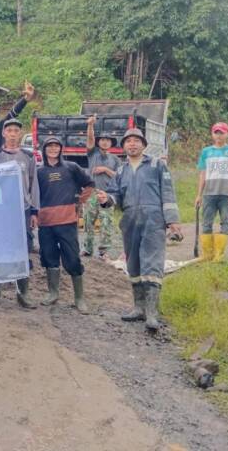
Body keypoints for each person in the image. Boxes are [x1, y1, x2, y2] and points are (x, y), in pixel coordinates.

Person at [97, 128, 182, 333]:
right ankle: (138, 308)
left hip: (153, 220)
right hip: (130, 220)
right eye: (128, 141)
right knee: (133, 263)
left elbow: (168, 193)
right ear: (124, 146)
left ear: (143, 145)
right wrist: (107, 199)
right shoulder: (121, 170)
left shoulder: (157, 165)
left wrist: (172, 221)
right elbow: (115, 195)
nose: (132, 144)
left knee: (152, 263)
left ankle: (151, 313)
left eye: (136, 141)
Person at [36, 136, 94, 314]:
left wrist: (79, 201)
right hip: (45, 223)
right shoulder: (38, 172)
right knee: (49, 257)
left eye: (56, 146)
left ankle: (79, 298)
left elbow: (90, 184)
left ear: (61, 149)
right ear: (44, 150)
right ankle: (53, 293)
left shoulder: (71, 167)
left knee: (73, 258)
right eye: (49, 146)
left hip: (67, 221)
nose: (53, 149)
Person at [0, 118, 39, 309]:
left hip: (22, 209)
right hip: (0, 210)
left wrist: (34, 211)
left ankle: (23, 293)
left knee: (23, 251)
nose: (13, 134)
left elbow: (33, 184)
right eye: (9, 131)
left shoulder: (28, 156)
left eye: (16, 131)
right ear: (3, 133)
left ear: (20, 133)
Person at [194, 122, 228, 262]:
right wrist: (199, 195)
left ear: (227, 134)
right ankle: (207, 254)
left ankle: (218, 256)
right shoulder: (206, 152)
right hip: (209, 194)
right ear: (212, 134)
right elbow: (202, 174)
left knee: (226, 222)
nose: (218, 135)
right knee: (206, 223)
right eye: (216, 132)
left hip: (226, 194)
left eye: (221, 133)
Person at [83, 115, 121, 258]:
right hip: (92, 193)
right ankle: (87, 248)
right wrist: (90, 125)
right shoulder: (92, 154)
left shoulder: (115, 159)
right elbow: (90, 139)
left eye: (108, 140)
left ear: (111, 143)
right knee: (88, 222)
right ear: (99, 142)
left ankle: (104, 251)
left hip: (107, 195)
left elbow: (119, 176)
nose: (105, 142)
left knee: (106, 223)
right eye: (102, 140)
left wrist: (105, 169)